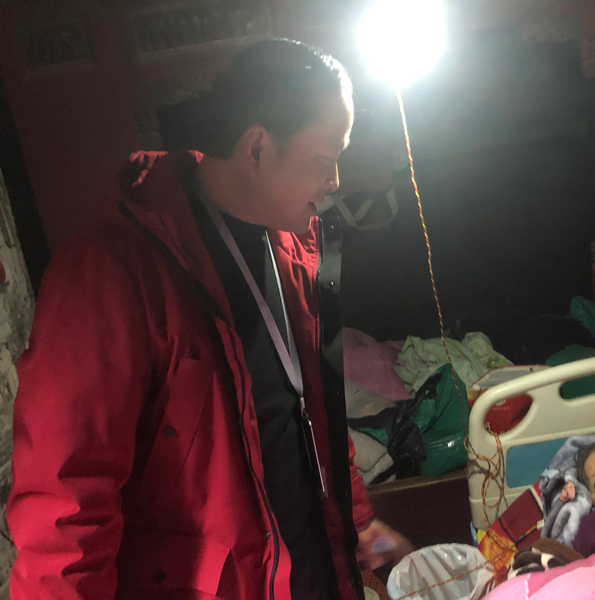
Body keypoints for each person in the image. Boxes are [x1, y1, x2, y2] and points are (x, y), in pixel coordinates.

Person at [8, 39, 411, 600]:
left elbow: (312, 411)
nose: (336, 181)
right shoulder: (111, 272)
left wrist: (359, 520)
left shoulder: (293, 250)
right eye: (326, 159)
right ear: (256, 148)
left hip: (310, 572)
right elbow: (65, 505)